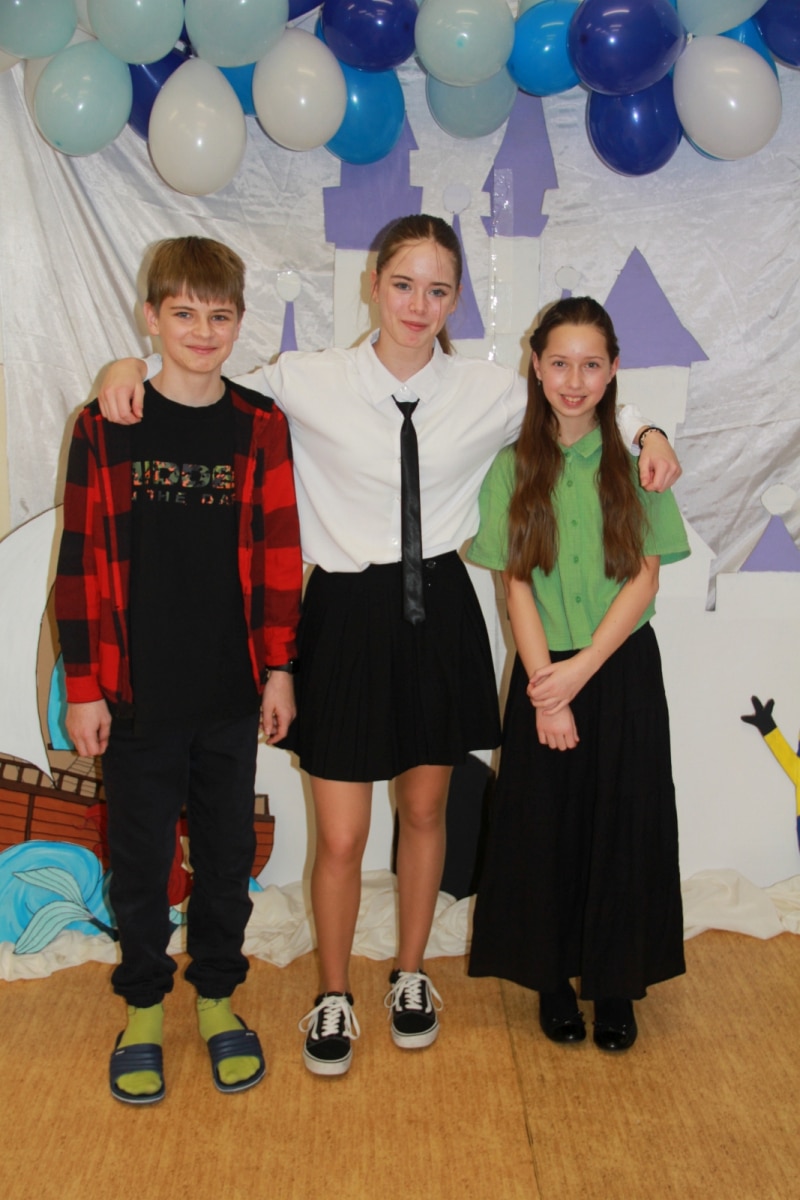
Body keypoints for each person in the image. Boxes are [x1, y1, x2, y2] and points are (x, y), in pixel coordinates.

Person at [96, 215, 681, 1076]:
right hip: (344, 614)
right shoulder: (307, 378)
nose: (418, 304)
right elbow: (202, 378)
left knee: (426, 812)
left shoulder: (484, 390)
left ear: (456, 299)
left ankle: (410, 974)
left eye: (438, 289)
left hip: (439, 613)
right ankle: (334, 991)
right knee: (340, 837)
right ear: (373, 285)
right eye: (404, 284)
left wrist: (648, 430)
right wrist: (125, 367)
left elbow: (576, 398)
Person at [56, 236, 303, 1103]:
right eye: (185, 313)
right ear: (151, 318)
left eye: (220, 315)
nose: (203, 331)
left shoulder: (259, 425)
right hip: (133, 693)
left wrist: (281, 669)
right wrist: (81, 686)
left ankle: (219, 999)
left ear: (240, 323)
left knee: (227, 854)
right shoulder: (105, 424)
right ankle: (144, 1008)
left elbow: (281, 556)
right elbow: (77, 562)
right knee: (140, 858)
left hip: (230, 691)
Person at [467, 296, 689, 1052]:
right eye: (559, 363)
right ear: (535, 366)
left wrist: (582, 672)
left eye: (591, 364)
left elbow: (646, 578)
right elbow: (514, 586)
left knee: (625, 824)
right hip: (543, 674)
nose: (574, 380)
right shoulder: (511, 468)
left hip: (619, 669)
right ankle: (554, 980)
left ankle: (616, 982)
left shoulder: (639, 465)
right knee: (546, 829)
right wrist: (546, 689)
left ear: (614, 369)